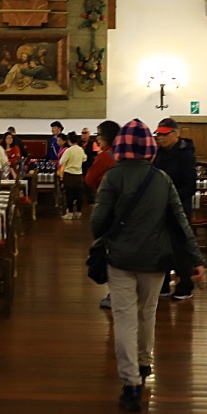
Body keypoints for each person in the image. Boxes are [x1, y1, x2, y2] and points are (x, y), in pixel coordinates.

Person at [90, 119, 204, 413]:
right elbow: (180, 222)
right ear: (150, 147)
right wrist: (195, 260)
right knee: (148, 313)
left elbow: (97, 224)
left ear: (121, 146)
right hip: (155, 260)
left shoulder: (113, 178)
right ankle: (144, 363)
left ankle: (131, 384)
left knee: (125, 317)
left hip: (121, 258)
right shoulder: (162, 178)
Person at [152, 118, 200, 299]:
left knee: (180, 245)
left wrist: (171, 198)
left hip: (179, 206)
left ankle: (185, 285)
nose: (161, 138)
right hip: (160, 206)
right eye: (158, 135)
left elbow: (190, 185)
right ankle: (163, 284)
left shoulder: (185, 153)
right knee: (161, 245)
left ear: (175, 133)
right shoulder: (158, 153)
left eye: (164, 135)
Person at [85, 120, 120, 309]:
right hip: (127, 210)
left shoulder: (106, 156)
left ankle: (114, 295)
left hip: (109, 209)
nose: (97, 139)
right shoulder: (124, 154)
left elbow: (90, 180)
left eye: (98, 136)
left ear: (106, 137)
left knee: (109, 252)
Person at [57, 134, 87, 218]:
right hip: (79, 175)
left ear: (68, 140)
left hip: (69, 175)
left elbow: (62, 161)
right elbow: (85, 158)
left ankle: (69, 213)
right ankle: (78, 212)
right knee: (79, 195)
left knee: (69, 195)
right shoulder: (80, 149)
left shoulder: (69, 150)